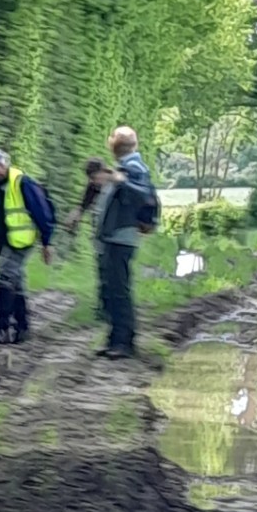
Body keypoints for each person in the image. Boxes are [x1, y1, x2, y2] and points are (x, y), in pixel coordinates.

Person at [0, 146, 54, 345]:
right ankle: (23, 328)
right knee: (16, 283)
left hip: (23, 241)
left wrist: (47, 243)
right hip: (6, 242)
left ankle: (1, 329)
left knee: (4, 279)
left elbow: (42, 213)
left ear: (1, 165)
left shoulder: (23, 183)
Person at [91, 126, 155, 361]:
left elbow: (144, 195)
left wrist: (120, 181)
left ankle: (124, 343)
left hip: (121, 238)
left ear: (115, 145)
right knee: (113, 288)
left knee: (119, 290)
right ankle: (115, 339)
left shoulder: (133, 168)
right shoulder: (125, 166)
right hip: (115, 237)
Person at [65, 157, 109, 322]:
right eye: (90, 178)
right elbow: (83, 205)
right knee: (102, 268)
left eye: (95, 177)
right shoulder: (93, 187)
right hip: (100, 233)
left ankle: (112, 308)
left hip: (115, 234)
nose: (93, 181)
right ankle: (102, 307)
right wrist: (73, 217)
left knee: (113, 271)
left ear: (103, 171)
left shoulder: (116, 184)